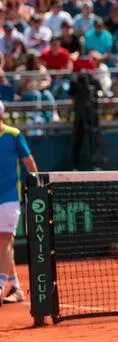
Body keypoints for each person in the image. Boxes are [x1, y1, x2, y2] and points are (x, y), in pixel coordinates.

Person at [0, 100, 38, 305]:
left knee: (4, 239)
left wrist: (37, 186)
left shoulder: (13, 135)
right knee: (5, 244)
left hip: (9, 197)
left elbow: (28, 162)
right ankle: (16, 287)